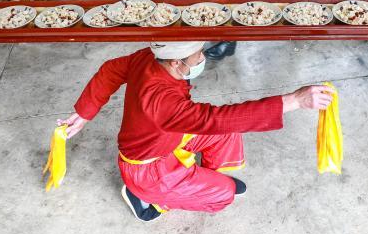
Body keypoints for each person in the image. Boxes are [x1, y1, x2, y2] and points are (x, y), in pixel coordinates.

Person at [59, 41, 334, 221]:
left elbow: (110, 70)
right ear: (176, 63)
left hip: (167, 138)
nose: (202, 57)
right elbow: (217, 119)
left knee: (227, 134)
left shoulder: (150, 56)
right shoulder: (162, 102)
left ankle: (200, 180)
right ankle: (143, 197)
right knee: (223, 195)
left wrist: (85, 112)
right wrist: (295, 100)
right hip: (147, 170)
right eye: (197, 55)